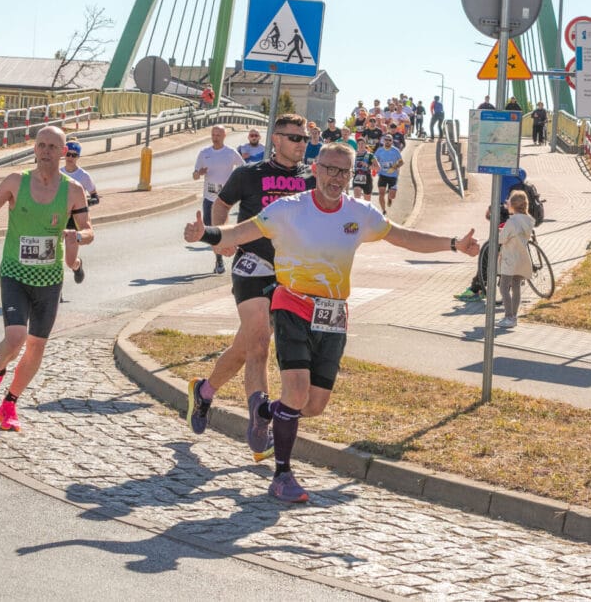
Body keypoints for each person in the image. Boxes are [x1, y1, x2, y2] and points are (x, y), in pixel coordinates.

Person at [183, 142, 479, 502]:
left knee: (314, 405)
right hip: (291, 305)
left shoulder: (360, 213)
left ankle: (263, 411)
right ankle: (283, 475)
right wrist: (206, 236)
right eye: (330, 169)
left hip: (334, 315)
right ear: (316, 169)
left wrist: (453, 244)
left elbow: (404, 237)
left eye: (344, 171)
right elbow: (237, 233)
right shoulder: (289, 209)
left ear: (353, 174)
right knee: (295, 393)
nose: (336, 178)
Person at [186, 114, 315, 461]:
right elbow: (221, 203)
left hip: (291, 273)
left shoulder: (310, 179)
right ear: (276, 139)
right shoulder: (248, 173)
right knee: (259, 343)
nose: (301, 144)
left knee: (244, 348)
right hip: (252, 264)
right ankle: (260, 418)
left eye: (305, 139)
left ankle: (204, 391)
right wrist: (219, 238)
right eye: (294, 138)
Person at [0, 125, 94, 432]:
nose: (46, 151)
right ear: (34, 149)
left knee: (36, 346)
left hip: (49, 278)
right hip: (14, 272)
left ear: (63, 153)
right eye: (41, 145)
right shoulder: (15, 182)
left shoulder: (74, 190)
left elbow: (89, 229)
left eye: (53, 147)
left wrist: (79, 234)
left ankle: (9, 404)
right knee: (16, 338)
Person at [455, 168, 531, 302]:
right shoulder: (519, 172)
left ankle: (478, 288)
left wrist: (491, 208)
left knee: (490, 250)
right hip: (521, 213)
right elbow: (522, 175)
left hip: (504, 213)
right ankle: (508, 281)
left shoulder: (501, 172)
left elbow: (500, 194)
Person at [192, 125, 244, 274]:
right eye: (213, 135)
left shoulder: (230, 153)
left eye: (218, 135)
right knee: (210, 229)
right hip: (209, 198)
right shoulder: (204, 153)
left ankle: (220, 259)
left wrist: (235, 184)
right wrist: (199, 173)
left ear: (224, 136)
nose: (215, 138)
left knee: (219, 229)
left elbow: (243, 169)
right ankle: (219, 258)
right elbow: (194, 175)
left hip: (224, 199)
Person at [59, 140, 99, 284]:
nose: (70, 158)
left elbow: (95, 197)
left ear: (78, 157)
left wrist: (82, 203)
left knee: (69, 260)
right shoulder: (58, 173)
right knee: (55, 253)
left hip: (75, 219)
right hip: (59, 216)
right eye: (68, 154)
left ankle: (77, 265)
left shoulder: (83, 176)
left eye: (74, 155)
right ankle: (57, 289)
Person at [495, 189, 535, 328]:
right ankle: (514, 316)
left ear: (512, 204)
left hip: (509, 259)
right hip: (521, 258)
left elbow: (501, 239)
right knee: (516, 286)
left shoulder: (512, 222)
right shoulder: (528, 221)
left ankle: (508, 316)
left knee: (504, 287)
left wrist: (500, 231)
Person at [374, 134, 404, 214]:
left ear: (392, 141)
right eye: (386, 139)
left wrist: (394, 168)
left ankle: (389, 198)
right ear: (383, 140)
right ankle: (383, 210)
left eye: (389, 140)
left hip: (393, 176)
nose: (387, 141)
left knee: (392, 196)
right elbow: (374, 160)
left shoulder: (395, 150)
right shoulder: (379, 150)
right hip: (382, 175)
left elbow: (401, 162)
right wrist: (374, 167)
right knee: (381, 193)